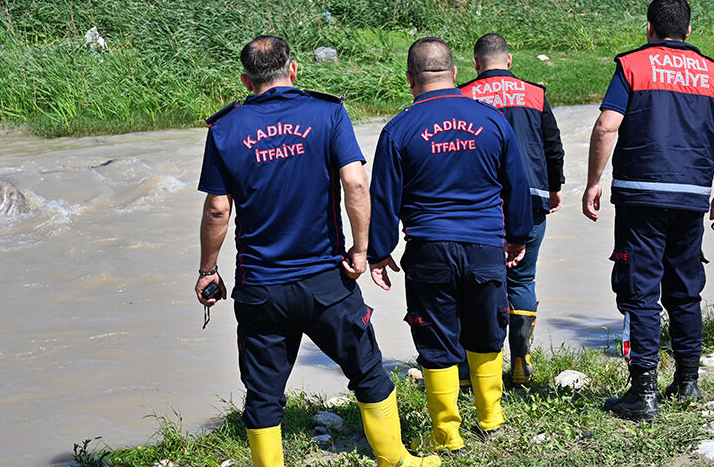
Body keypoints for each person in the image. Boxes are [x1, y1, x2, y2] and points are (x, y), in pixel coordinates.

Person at [195, 36, 438, 467]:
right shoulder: (327, 113)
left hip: (261, 287)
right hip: (327, 280)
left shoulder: (226, 129)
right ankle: (396, 460)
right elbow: (356, 184)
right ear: (293, 70)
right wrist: (361, 251)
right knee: (367, 370)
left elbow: (217, 210)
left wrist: (207, 270)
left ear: (246, 80)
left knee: (263, 392)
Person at [581, 0, 714, 422]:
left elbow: (606, 125)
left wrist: (593, 182)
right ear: (689, 32)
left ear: (649, 29)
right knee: (685, 289)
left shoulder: (633, 66)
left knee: (640, 293)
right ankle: (688, 382)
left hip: (641, 196)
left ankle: (643, 393)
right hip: (692, 197)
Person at [368, 37, 534, 452]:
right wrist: (518, 237)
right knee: (486, 330)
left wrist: (380, 250)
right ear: (456, 73)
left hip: (428, 249)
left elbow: (383, 198)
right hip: (484, 246)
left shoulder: (398, 129)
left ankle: (447, 435)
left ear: (410, 79)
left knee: (438, 340)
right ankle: (491, 418)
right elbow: (517, 184)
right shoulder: (492, 120)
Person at [459, 33, 565, 388]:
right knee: (524, 278)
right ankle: (521, 363)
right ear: (509, 60)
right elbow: (553, 144)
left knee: (475, 283)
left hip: (484, 205)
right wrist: (555, 187)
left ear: (476, 64)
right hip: (533, 198)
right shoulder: (535, 93)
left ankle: (470, 369)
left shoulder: (463, 95)